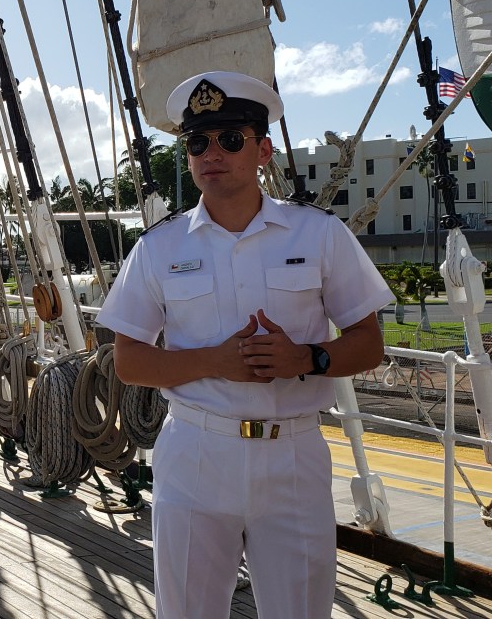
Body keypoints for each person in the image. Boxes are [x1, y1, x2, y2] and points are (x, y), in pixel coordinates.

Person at [96, 71, 393, 619]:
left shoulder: (319, 235)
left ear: (262, 149)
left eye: (230, 139)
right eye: (198, 142)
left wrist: (308, 358)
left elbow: (368, 343)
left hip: (294, 456)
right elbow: (130, 361)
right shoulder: (158, 248)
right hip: (195, 452)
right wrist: (217, 362)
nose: (213, 153)